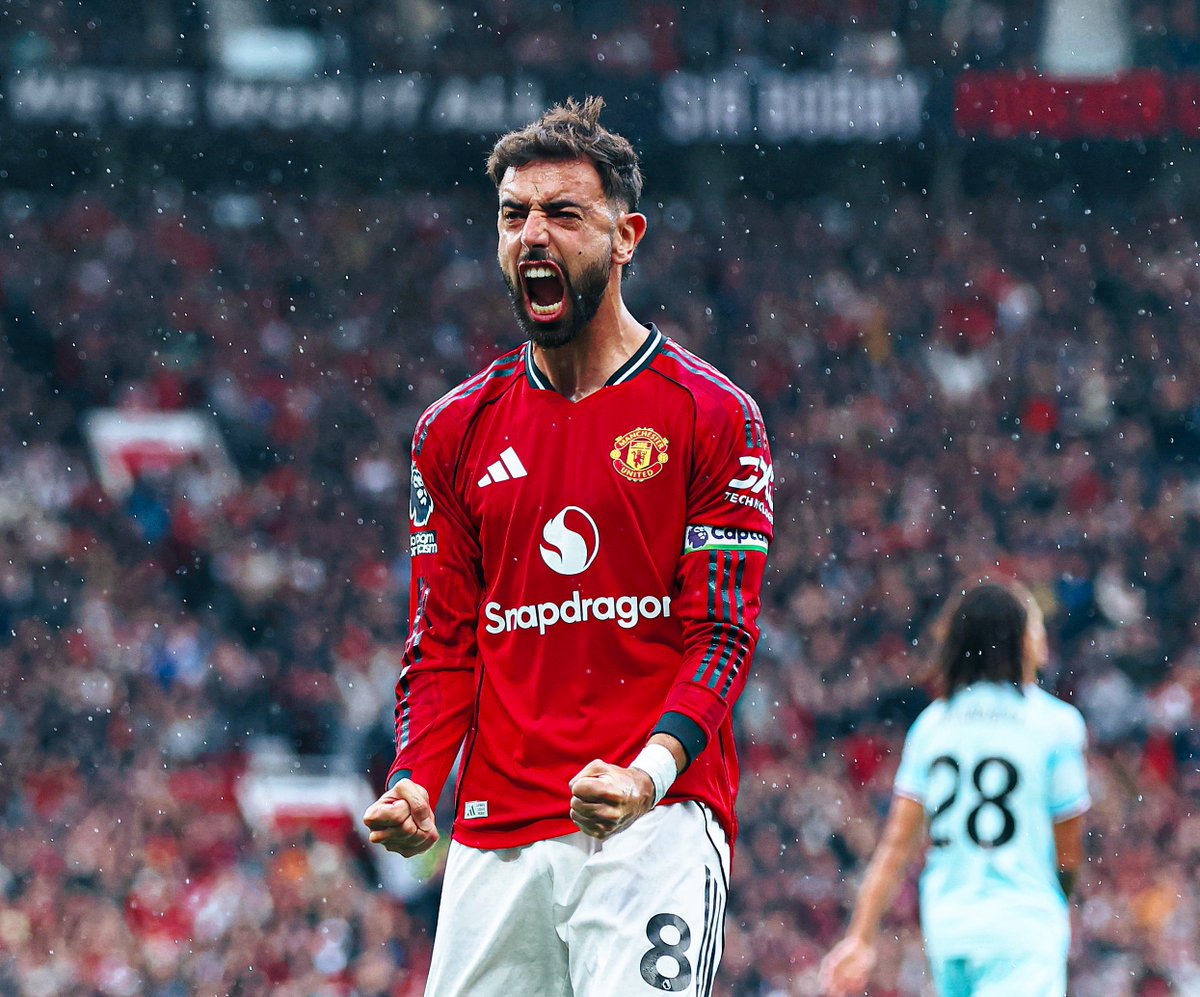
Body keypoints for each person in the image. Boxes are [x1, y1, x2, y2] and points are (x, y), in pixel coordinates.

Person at [362, 96, 773, 997]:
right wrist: (417, 778)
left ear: (626, 236)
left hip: (654, 825)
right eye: (514, 215)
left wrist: (647, 774)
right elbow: (442, 642)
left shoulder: (712, 415)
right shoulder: (452, 431)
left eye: (563, 213)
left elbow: (722, 633)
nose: (533, 235)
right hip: (495, 833)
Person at [819, 581, 1090, 997]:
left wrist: (861, 936)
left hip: (948, 927)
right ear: (1020, 639)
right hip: (1021, 923)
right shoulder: (1054, 724)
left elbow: (895, 847)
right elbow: (1067, 852)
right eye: (1036, 626)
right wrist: (1055, 904)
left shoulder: (933, 725)